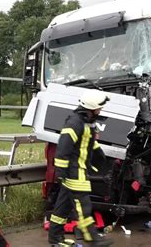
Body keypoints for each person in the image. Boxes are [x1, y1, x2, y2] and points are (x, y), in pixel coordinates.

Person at [48, 89, 113, 246]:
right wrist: (62, 173)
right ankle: (93, 239)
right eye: (99, 107)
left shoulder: (87, 123)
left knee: (63, 207)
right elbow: (63, 148)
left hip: (79, 170)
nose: (101, 110)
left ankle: (55, 239)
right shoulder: (75, 123)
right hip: (73, 172)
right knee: (83, 206)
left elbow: (88, 144)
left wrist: (100, 159)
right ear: (92, 108)